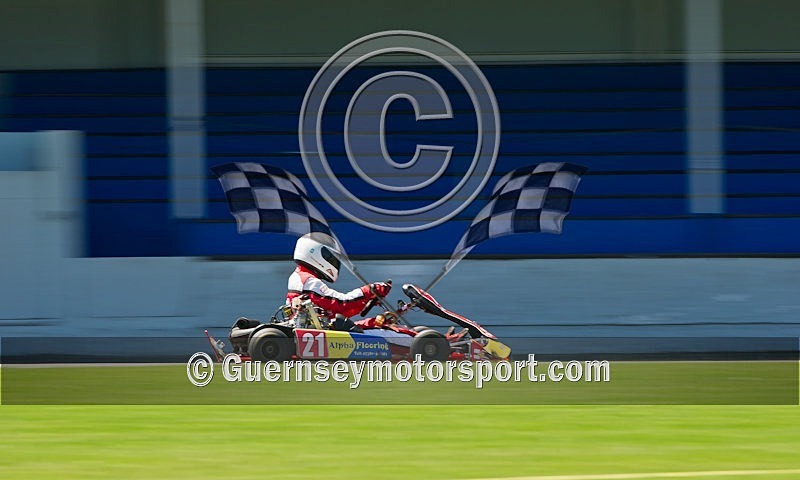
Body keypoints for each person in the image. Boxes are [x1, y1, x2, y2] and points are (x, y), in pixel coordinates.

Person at [287, 233, 391, 320]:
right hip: (316, 334)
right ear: (313, 252)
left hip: (316, 330)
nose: (334, 261)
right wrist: (371, 290)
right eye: (330, 257)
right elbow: (342, 303)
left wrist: (365, 301)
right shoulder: (308, 281)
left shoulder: (298, 277)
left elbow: (335, 313)